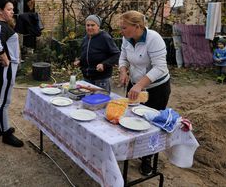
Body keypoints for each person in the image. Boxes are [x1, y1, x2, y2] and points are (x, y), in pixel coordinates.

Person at [117, 10, 170, 176]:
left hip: (156, 89)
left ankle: (148, 159)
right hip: (135, 86)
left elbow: (160, 67)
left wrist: (139, 85)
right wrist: (123, 71)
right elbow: (123, 57)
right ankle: (131, 150)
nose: (121, 31)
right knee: (131, 119)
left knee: (150, 125)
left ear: (137, 27)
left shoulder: (154, 39)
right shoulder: (127, 38)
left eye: (124, 28)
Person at [0, 0, 23, 147]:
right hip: (5, 69)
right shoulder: (1, 25)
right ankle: (6, 134)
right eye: (9, 9)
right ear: (0, 10)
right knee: (3, 102)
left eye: (12, 9)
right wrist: (3, 56)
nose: (12, 12)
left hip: (1, 68)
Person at [73, 14, 120, 92]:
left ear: (98, 26)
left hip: (101, 79)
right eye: (88, 25)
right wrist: (79, 61)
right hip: (87, 78)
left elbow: (116, 54)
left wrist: (104, 64)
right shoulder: (85, 38)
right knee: (88, 101)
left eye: (92, 25)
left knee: (101, 101)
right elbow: (85, 54)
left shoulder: (105, 37)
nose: (90, 27)